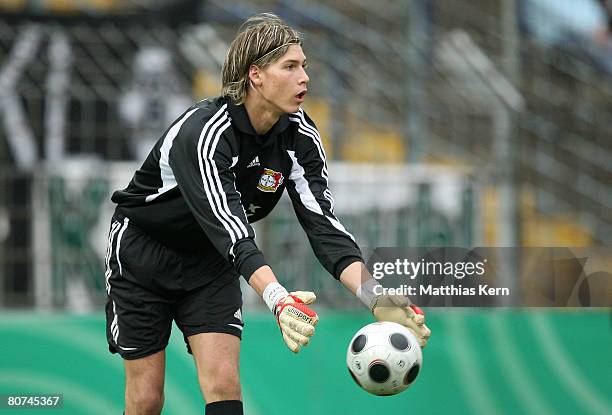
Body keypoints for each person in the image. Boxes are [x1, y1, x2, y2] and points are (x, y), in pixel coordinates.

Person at [104, 13, 431, 415]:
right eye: (290, 66)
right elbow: (232, 230)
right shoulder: (204, 134)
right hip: (143, 257)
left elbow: (322, 225)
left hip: (210, 263)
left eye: (305, 66)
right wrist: (278, 299)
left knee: (224, 384)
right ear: (255, 75)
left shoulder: (300, 136)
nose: (305, 77)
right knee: (147, 399)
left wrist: (374, 295)